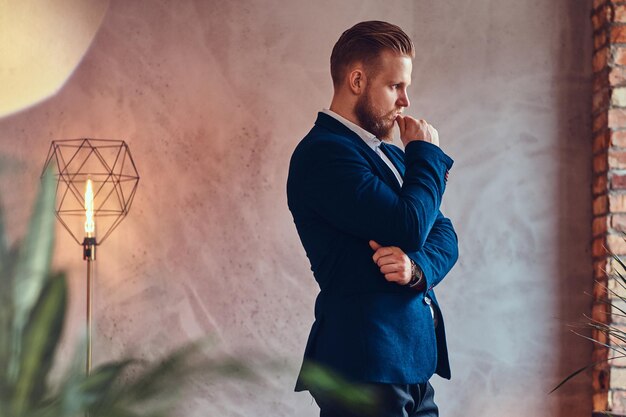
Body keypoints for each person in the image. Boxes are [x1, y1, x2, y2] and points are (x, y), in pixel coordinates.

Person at [287, 21, 458, 417]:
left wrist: (416, 268)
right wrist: (426, 155)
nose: (406, 101)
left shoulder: (395, 157)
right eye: (396, 86)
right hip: (363, 365)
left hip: (410, 362)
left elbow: (445, 233)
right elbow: (410, 226)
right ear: (358, 80)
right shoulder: (323, 154)